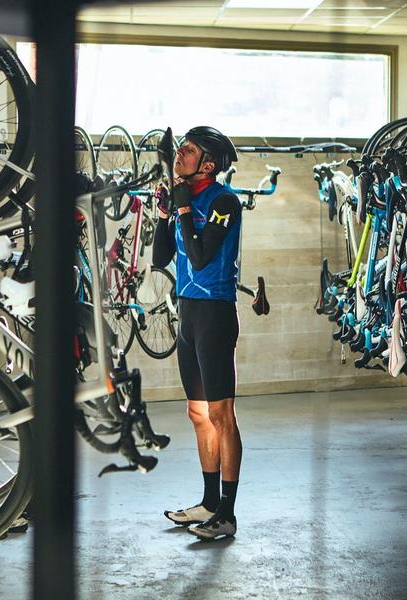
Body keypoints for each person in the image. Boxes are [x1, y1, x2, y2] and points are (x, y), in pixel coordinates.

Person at [152, 126, 243, 540]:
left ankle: (227, 512)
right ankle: (207, 502)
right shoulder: (184, 199)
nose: (180, 154)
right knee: (198, 413)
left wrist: (185, 210)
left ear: (208, 164)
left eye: (189, 150)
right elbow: (160, 257)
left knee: (222, 415)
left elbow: (202, 258)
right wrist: (166, 215)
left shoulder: (224, 201)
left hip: (214, 314)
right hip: (187, 313)